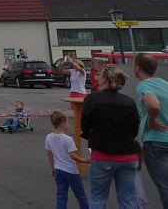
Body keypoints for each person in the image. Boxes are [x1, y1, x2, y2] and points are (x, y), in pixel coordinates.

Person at [81, 66, 140, 209]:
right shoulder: (129, 102)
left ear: (105, 79)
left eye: (100, 75)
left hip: (102, 155)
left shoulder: (92, 99)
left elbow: (85, 126)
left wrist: (94, 137)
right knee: (128, 200)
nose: (97, 77)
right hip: (128, 156)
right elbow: (134, 130)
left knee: (98, 199)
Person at [133, 53, 168, 207]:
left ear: (138, 68)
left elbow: (153, 105)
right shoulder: (165, 84)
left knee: (165, 187)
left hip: (155, 141)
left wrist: (152, 120)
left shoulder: (144, 85)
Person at [45, 110, 90, 209]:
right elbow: (72, 155)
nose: (68, 124)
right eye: (67, 122)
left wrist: (53, 168)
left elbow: (49, 154)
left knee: (61, 194)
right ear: (63, 123)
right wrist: (85, 160)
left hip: (58, 169)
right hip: (71, 170)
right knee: (80, 194)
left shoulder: (49, 137)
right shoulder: (68, 139)